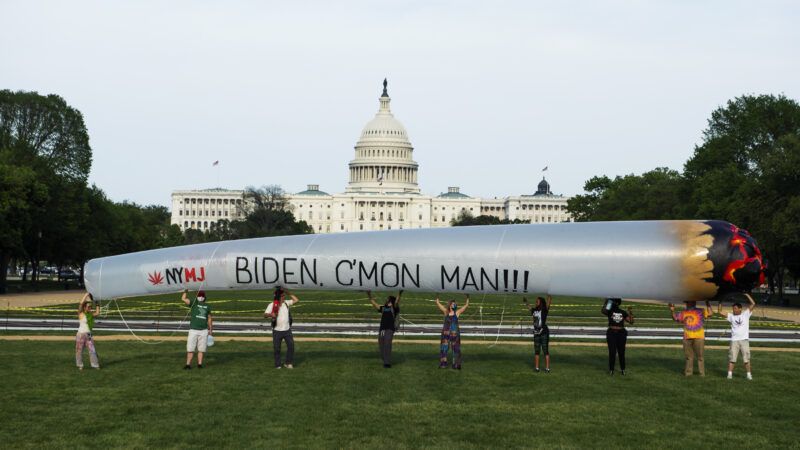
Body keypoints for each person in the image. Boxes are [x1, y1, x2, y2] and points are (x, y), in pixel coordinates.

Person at [669, 300, 712, 376]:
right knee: (689, 357)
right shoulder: (683, 312)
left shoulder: (701, 311)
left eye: (688, 302)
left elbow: (710, 314)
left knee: (700, 357)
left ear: (694, 303)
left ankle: (702, 373)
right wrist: (672, 311)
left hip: (699, 337)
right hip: (687, 337)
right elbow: (675, 318)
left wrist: (708, 303)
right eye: (687, 302)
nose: (687, 304)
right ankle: (688, 373)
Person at [718, 293, 756, 380]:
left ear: (740, 309)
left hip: (744, 340)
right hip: (734, 340)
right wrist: (720, 302)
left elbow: (753, 304)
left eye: (735, 308)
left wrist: (747, 295)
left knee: (746, 359)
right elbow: (720, 311)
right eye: (733, 308)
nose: (734, 310)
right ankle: (729, 374)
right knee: (732, 358)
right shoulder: (731, 316)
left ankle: (749, 375)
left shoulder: (745, 314)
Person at [264, 287, 299, 369]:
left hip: (287, 330)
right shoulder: (272, 305)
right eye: (282, 296)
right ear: (278, 297)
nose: (284, 297)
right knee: (277, 349)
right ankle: (278, 365)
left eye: (284, 296)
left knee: (291, 346)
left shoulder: (286, 303)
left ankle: (288, 363)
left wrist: (287, 292)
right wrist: (270, 315)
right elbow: (265, 315)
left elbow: (296, 300)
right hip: (277, 331)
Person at [368, 290, 402, 368]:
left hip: (390, 329)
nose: (386, 300)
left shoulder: (394, 308)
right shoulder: (383, 308)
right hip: (382, 329)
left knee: (387, 343)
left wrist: (399, 293)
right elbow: (374, 303)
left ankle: (387, 363)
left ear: (391, 301)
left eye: (388, 299)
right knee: (381, 344)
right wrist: (369, 294)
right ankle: (385, 359)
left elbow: (397, 301)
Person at [435, 294, 469, 369]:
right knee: (444, 348)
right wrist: (437, 294)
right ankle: (443, 364)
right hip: (445, 333)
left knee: (456, 348)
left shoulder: (457, 313)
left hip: (455, 334)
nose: (455, 305)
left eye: (455, 304)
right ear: (450, 305)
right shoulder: (446, 312)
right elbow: (437, 303)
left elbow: (466, 306)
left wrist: (467, 297)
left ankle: (456, 365)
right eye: (453, 304)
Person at [181, 289, 213, 370]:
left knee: (201, 349)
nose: (201, 297)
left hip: (203, 330)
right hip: (193, 330)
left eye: (202, 296)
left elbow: (209, 318)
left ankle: (200, 364)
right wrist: (185, 291)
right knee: (190, 349)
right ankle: (188, 365)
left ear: (205, 297)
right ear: (197, 296)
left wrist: (210, 329)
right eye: (199, 296)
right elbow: (183, 299)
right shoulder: (194, 303)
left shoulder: (207, 306)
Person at [602, 298, 633, 375]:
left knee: (621, 352)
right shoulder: (609, 311)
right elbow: (603, 310)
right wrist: (608, 302)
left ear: (617, 303)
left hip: (621, 333)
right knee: (612, 352)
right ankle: (611, 369)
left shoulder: (622, 312)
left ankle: (623, 369)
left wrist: (630, 312)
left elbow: (631, 321)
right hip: (611, 333)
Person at [523, 295, 552, 373]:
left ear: (541, 302)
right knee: (536, 351)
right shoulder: (534, 310)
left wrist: (549, 295)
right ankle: (536, 368)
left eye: (537, 301)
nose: (536, 302)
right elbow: (529, 308)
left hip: (544, 333)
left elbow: (549, 302)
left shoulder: (544, 310)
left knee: (545, 350)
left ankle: (547, 368)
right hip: (536, 333)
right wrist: (526, 302)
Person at [76, 293, 100, 370]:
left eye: (90, 307)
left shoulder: (90, 314)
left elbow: (97, 313)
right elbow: (80, 303)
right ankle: (80, 365)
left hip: (88, 334)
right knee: (79, 350)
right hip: (81, 334)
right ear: (84, 307)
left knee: (92, 350)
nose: (90, 308)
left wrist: (97, 304)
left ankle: (95, 365)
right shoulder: (81, 314)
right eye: (88, 307)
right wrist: (86, 295)